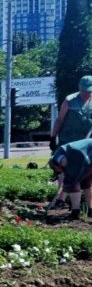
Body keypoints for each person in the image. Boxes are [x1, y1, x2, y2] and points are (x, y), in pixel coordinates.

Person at [48, 75, 92, 210]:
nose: (86, 94)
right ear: (80, 88)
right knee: (65, 170)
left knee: (86, 172)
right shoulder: (69, 100)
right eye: (84, 91)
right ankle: (61, 199)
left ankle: (81, 204)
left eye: (89, 91)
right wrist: (53, 137)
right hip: (68, 142)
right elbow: (60, 120)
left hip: (85, 145)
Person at [48, 139, 92, 220]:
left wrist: (68, 181)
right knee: (86, 184)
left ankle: (75, 212)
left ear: (55, 166)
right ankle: (90, 210)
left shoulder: (57, 156)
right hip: (88, 155)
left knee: (73, 184)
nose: (60, 172)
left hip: (80, 155)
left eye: (56, 170)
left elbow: (64, 162)